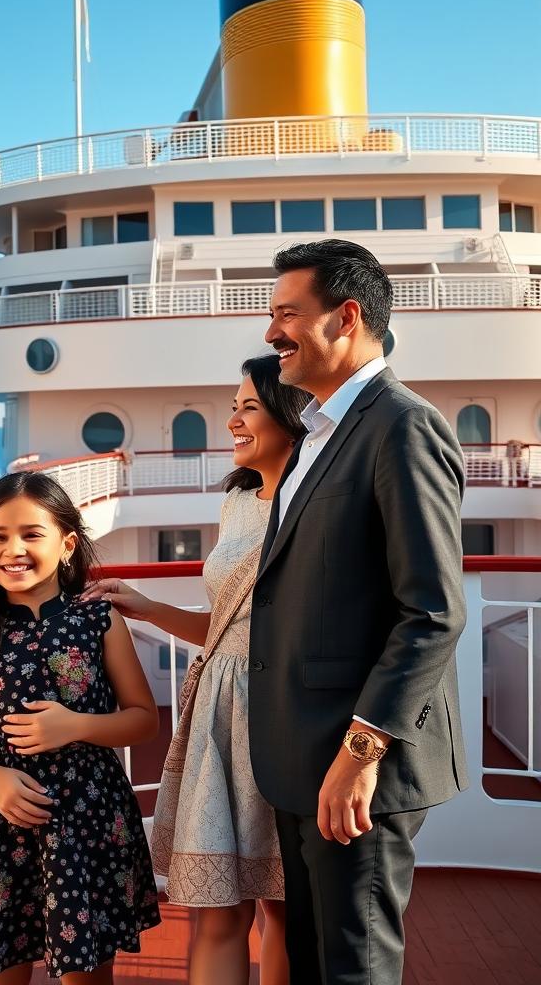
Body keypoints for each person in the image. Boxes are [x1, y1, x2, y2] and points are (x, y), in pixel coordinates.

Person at [251, 239, 467, 984]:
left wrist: (361, 754)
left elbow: (433, 611)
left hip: (354, 765)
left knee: (355, 968)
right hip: (303, 759)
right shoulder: (320, 430)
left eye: (286, 314)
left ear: (346, 318)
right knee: (315, 963)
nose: (271, 332)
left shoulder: (402, 426)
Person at [82, 354, 311, 985]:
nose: (233, 420)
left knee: (286, 910)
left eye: (250, 407)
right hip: (217, 710)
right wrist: (145, 605)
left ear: (293, 417)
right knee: (216, 912)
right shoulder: (237, 503)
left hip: (281, 712)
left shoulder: (315, 506)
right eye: (233, 406)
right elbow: (227, 626)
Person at [0, 471, 161, 983]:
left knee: (86, 974)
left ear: (67, 544)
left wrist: (75, 725)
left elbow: (143, 721)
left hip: (89, 818)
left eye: (30, 534)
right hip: (8, 816)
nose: (12, 549)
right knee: (0, 970)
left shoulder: (99, 619)